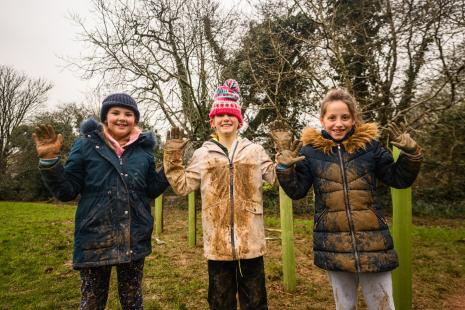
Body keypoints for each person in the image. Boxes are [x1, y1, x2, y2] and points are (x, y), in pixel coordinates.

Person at [271, 88, 423, 310]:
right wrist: (284, 168)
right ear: (322, 120)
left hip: (374, 244)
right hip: (333, 243)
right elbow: (297, 191)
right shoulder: (311, 152)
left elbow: (399, 178)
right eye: (332, 118)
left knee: (382, 304)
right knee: (344, 306)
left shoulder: (369, 147)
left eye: (345, 117)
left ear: (354, 119)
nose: (338, 123)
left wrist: (412, 154)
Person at [32, 93, 169, 310]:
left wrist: (170, 167)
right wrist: (50, 161)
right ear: (106, 117)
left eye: (128, 114)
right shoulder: (86, 145)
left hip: (134, 237)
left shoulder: (144, 152)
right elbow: (66, 191)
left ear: (136, 119)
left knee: (133, 301)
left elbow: (151, 190)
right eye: (115, 113)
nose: (122, 118)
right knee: (92, 302)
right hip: (95, 239)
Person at [163, 79, 275, 309]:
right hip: (217, 245)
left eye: (231, 115)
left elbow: (277, 178)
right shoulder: (203, 154)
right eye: (220, 115)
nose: (226, 119)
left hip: (251, 244)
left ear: (239, 121)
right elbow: (182, 186)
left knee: (256, 303)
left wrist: (284, 162)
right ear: (212, 121)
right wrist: (173, 156)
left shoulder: (255, 150)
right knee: (220, 303)